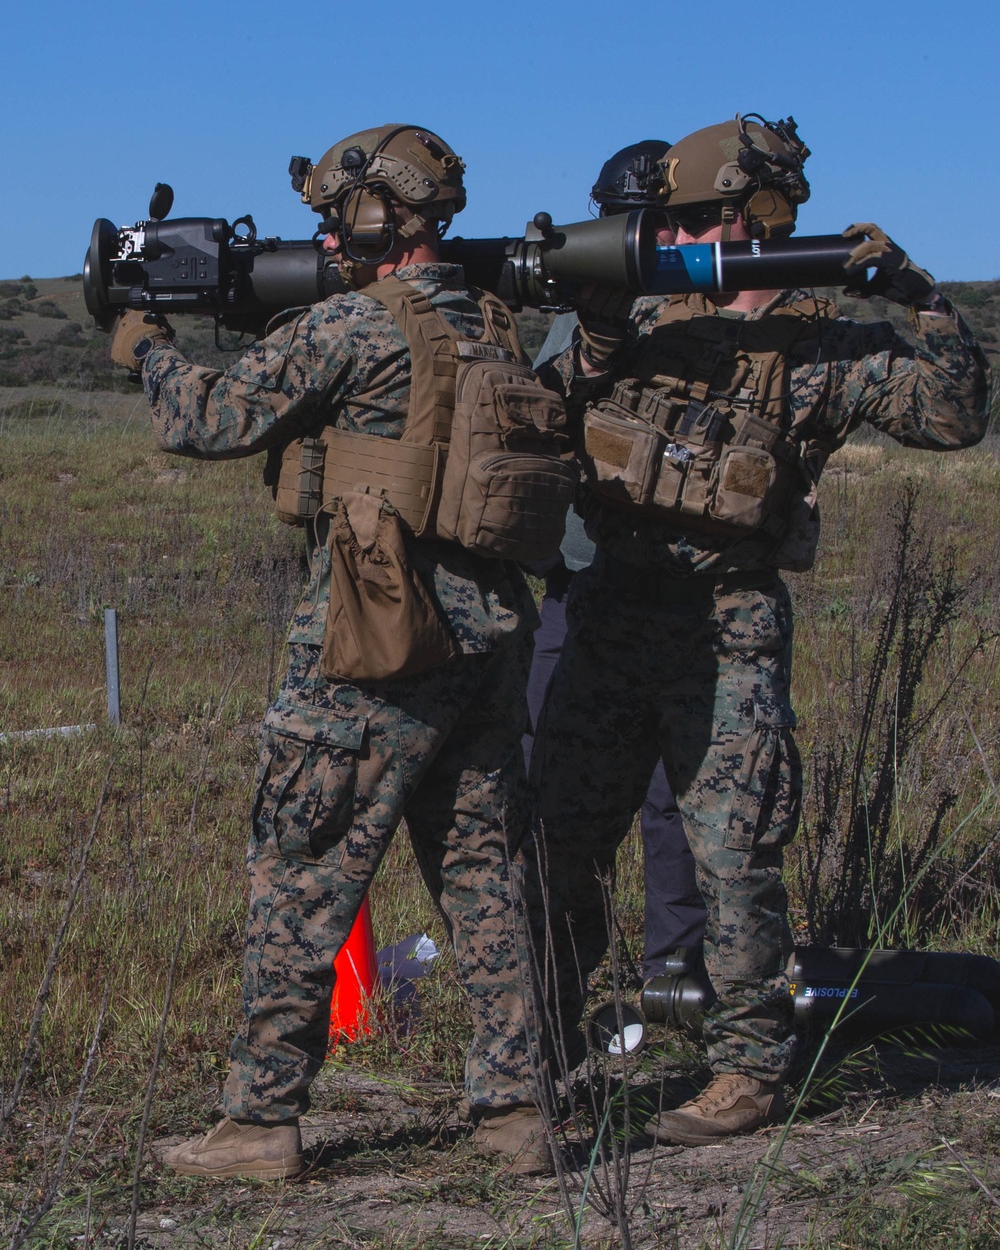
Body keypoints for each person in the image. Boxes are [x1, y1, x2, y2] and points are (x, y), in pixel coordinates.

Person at [525, 113, 992, 1145]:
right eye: (696, 213)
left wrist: (917, 298)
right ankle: (541, 1063)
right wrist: (588, 313)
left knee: (733, 855)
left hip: (725, 624)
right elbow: (535, 416)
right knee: (558, 846)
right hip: (608, 612)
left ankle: (745, 1072)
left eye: (725, 210)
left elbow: (955, 416)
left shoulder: (821, 341)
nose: (710, 226)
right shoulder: (640, 313)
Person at [110, 124, 562, 1178]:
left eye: (334, 213)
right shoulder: (493, 325)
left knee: (299, 869)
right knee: (484, 879)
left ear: (375, 214)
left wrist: (147, 346)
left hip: (371, 641)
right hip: (487, 637)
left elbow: (211, 419)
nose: (320, 231)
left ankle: (260, 1121)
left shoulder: (354, 327)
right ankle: (517, 1113)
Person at [523, 140, 707, 982]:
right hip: (578, 589)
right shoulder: (578, 317)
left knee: (681, 791)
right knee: (558, 782)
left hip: (678, 593)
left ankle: (675, 968)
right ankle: (560, 966)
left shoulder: (702, 315)